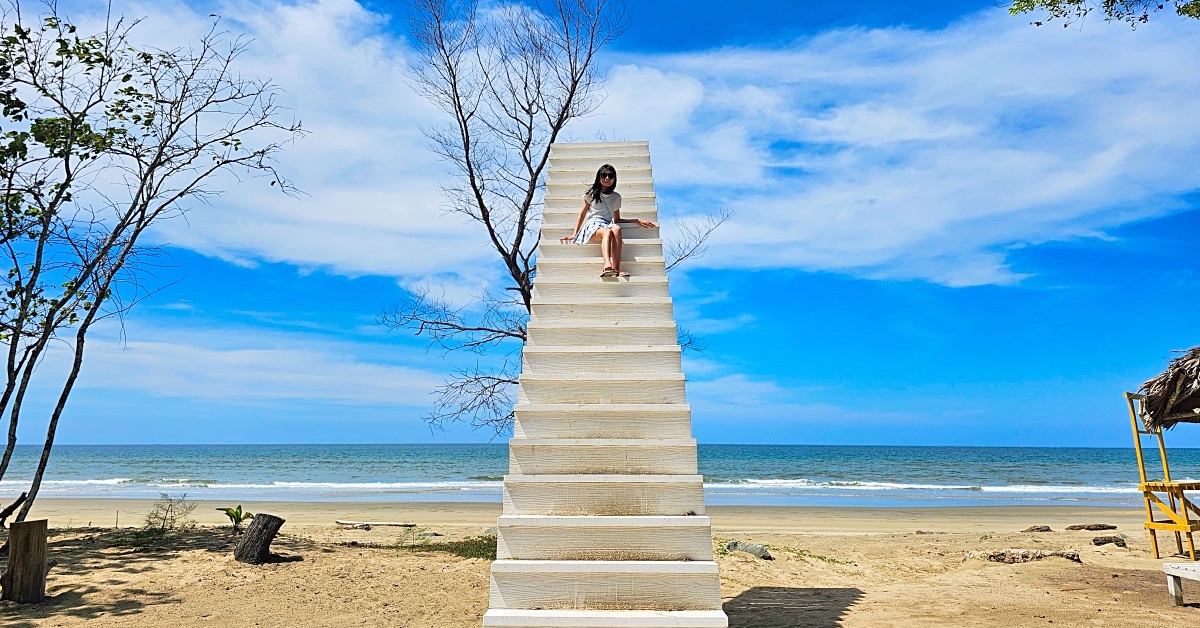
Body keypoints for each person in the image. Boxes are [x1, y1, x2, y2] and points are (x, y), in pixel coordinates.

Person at [559, 164, 656, 277]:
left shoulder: (616, 197)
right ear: (599, 178)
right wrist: (574, 234)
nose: (607, 179)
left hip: (607, 223)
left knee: (617, 229)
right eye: (604, 175)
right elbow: (582, 214)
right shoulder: (591, 194)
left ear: (614, 178)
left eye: (610, 176)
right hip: (593, 225)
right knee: (607, 232)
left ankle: (616, 269)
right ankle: (607, 265)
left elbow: (617, 219)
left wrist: (637, 220)